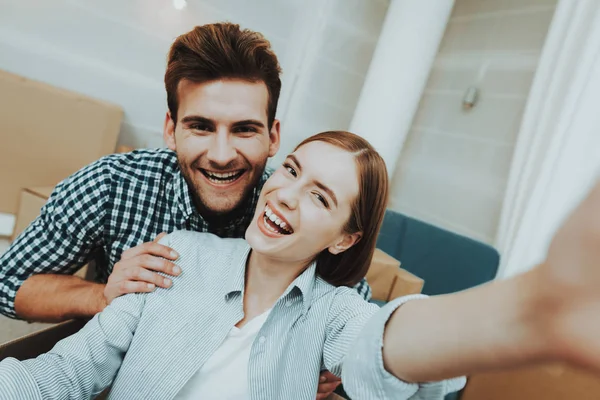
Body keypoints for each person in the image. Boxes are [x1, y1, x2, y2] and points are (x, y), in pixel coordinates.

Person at [2, 130, 600, 400]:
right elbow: (62, 377)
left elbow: (384, 350)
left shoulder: (338, 313)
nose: (285, 194)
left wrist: (529, 309)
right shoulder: (182, 253)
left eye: (321, 196)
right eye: (292, 170)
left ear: (345, 238)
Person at [0, 23, 366, 396]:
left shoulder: (286, 204)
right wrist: (105, 296)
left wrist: (331, 363)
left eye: (244, 130)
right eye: (201, 127)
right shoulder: (112, 184)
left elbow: (357, 312)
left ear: (272, 137)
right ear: (170, 129)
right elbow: (8, 282)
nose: (222, 156)